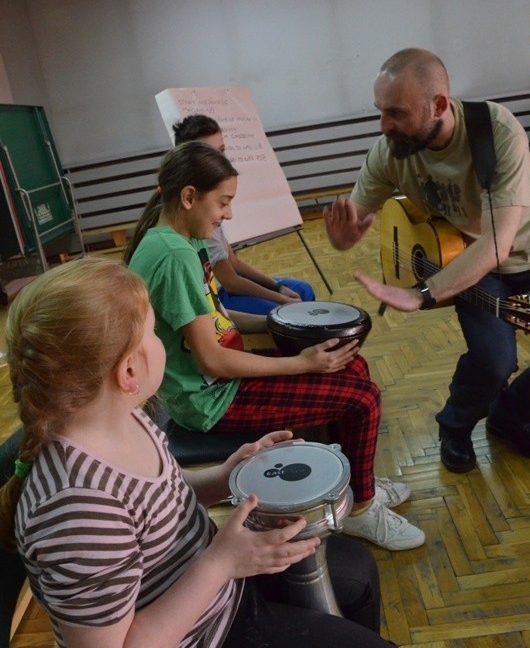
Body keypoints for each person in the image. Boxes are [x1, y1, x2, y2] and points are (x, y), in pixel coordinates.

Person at [0, 258, 470, 648]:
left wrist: (224, 478)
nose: (164, 342)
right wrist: (222, 562)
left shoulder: (122, 415)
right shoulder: (76, 508)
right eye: (153, 334)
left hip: (209, 590)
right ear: (128, 372)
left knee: (359, 572)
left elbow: (160, 492)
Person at [125, 140, 425, 551]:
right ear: (190, 197)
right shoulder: (174, 255)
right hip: (209, 401)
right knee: (364, 398)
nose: (228, 213)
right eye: (223, 202)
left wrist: (277, 319)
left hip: (215, 383)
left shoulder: (180, 243)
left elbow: (216, 321)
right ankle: (359, 510)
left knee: (353, 369)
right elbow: (212, 358)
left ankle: (353, 482)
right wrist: (303, 363)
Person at [324, 47, 530, 474]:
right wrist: (343, 237)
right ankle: (454, 426)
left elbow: (499, 242)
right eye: (380, 111)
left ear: (439, 105)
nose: (384, 126)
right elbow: (356, 218)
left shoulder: (494, 130)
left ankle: (508, 414)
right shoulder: (390, 150)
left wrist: (422, 295)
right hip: (471, 262)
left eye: (395, 112)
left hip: (510, 248)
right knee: (494, 361)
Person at [172, 114, 316, 314]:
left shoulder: (211, 203)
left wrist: (277, 286)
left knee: (303, 292)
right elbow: (230, 282)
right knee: (287, 313)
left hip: (228, 289)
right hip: (219, 296)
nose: (228, 214)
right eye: (211, 154)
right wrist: (280, 297)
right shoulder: (199, 216)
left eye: (222, 151)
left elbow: (233, 261)